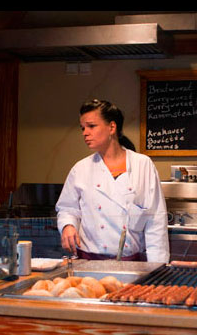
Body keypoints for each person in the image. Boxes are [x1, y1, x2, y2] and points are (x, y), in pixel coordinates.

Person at [55, 99, 170, 263]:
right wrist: (68, 225)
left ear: (112, 127)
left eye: (91, 126)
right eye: (83, 128)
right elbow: (67, 208)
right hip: (88, 262)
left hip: (130, 263)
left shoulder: (143, 165)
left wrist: (157, 267)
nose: (84, 133)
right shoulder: (80, 169)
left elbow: (155, 220)